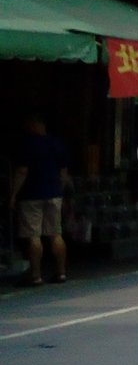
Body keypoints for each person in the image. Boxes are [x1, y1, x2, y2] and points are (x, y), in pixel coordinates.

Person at [9, 114, 69, 285]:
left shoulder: (27, 145)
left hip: (31, 195)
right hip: (54, 193)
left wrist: (13, 195)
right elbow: (64, 174)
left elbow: (22, 171)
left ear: (34, 125)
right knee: (55, 234)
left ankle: (36, 275)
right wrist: (61, 193)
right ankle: (61, 272)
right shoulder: (57, 144)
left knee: (33, 235)